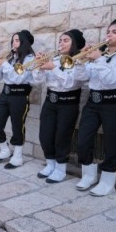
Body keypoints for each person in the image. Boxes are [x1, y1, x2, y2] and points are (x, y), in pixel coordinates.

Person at [73, 18, 116, 196]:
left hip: (114, 103)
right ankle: (89, 174)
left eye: (115, 32)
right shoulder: (100, 56)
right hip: (93, 102)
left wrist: (98, 59)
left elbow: (111, 79)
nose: (109, 35)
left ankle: (108, 180)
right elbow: (83, 77)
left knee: (113, 142)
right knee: (83, 140)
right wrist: (81, 61)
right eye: (108, 31)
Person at [33, 29, 86, 183]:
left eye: (66, 40)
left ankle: (61, 168)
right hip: (51, 100)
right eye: (60, 40)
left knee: (62, 136)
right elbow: (38, 80)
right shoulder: (54, 59)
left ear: (74, 43)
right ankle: (50, 164)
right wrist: (39, 66)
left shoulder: (78, 61)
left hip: (68, 102)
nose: (61, 43)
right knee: (45, 134)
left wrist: (52, 68)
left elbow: (70, 83)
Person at [0, 29, 37, 168]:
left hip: (20, 95)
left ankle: (18, 155)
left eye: (17, 40)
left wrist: (3, 64)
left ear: (24, 42)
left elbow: (17, 79)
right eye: (13, 40)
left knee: (17, 126)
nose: (13, 43)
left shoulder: (29, 59)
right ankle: (5, 150)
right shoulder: (9, 58)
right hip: (5, 94)